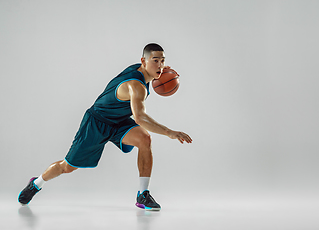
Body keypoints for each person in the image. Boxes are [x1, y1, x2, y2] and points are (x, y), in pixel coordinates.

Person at [18, 43, 192, 211]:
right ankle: (36, 183)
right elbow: (139, 117)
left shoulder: (145, 74)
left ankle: (143, 194)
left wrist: (161, 70)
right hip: (96, 122)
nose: (160, 65)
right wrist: (169, 132)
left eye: (162, 60)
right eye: (155, 60)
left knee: (145, 139)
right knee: (67, 166)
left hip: (119, 121)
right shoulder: (136, 86)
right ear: (143, 61)